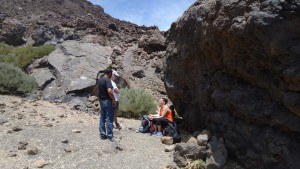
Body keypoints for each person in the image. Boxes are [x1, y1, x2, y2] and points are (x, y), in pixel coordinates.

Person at [98, 69, 116, 142]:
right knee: (109, 118)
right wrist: (113, 99)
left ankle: (102, 135)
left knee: (102, 118)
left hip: (101, 101)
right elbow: (109, 91)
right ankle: (109, 136)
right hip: (108, 101)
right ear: (109, 73)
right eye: (111, 74)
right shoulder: (108, 80)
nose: (112, 75)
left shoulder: (100, 80)